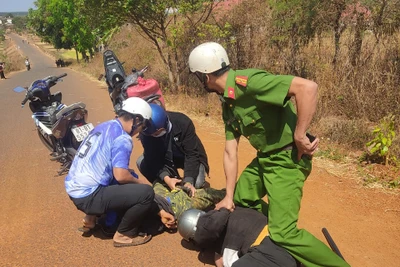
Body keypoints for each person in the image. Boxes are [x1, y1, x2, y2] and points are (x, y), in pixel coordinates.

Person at [188, 42, 350, 267]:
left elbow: (307, 88)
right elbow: (230, 151)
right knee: (241, 198)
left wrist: (300, 134)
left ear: (204, 76)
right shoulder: (229, 104)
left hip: (287, 160)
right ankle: (274, 230)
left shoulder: (250, 82)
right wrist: (227, 196)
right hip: (265, 159)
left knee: (284, 233)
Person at [65, 97, 175, 247]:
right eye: (142, 126)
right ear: (136, 119)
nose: (139, 131)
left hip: (74, 189)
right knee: (146, 192)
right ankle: (123, 234)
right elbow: (121, 175)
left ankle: (90, 219)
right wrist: (143, 184)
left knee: (124, 177)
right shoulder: (123, 138)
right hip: (88, 196)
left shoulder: (104, 126)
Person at [178, 207, 299, 267]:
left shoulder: (215, 241)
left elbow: (230, 261)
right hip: (284, 236)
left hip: (273, 252)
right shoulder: (231, 209)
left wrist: (219, 258)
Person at [136, 103, 209, 197]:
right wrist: (166, 178)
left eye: (157, 133)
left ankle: (184, 183)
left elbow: (192, 154)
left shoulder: (183, 122)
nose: (154, 136)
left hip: (185, 156)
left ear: (164, 125)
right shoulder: (145, 133)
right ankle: (165, 184)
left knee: (197, 182)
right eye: (152, 134)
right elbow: (152, 159)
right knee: (141, 161)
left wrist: (188, 181)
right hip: (165, 158)